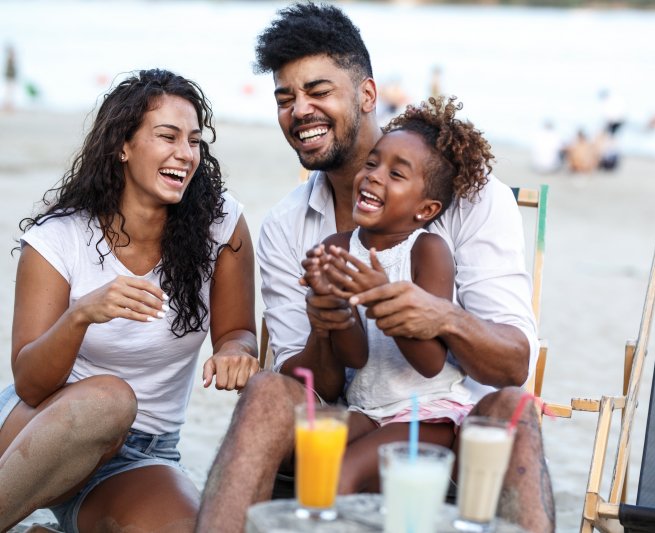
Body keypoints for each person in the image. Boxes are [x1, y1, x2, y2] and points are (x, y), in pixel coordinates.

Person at [197, 4, 554, 533]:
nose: (299, 111)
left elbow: (511, 364)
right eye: (285, 98)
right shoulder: (288, 226)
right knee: (268, 392)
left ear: (367, 95)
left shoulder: (472, 200)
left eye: (318, 92)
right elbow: (319, 382)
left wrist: (437, 316)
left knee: (512, 414)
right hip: (358, 416)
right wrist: (327, 321)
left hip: (455, 419)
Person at [0, 68, 259, 532]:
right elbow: (31, 385)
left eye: (195, 141)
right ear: (123, 145)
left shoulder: (221, 226)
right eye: (168, 136)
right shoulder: (59, 239)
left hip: (141, 453)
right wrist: (81, 316)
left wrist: (235, 352)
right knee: (110, 399)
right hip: (42, 430)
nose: (186, 153)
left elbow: (238, 331)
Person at [302, 96, 491, 489]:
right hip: (367, 406)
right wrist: (332, 304)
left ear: (425, 209)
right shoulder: (339, 246)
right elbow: (354, 355)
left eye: (396, 174)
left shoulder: (427, 251)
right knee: (310, 460)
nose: (373, 175)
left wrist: (380, 296)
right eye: (372, 163)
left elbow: (429, 362)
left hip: (426, 411)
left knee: (339, 476)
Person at [3, 44, 17, 112]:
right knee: (9, 93)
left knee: (10, 93)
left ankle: (9, 106)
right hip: (9, 78)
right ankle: (7, 106)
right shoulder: (9, 60)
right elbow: (9, 71)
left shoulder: (11, 60)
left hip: (11, 78)